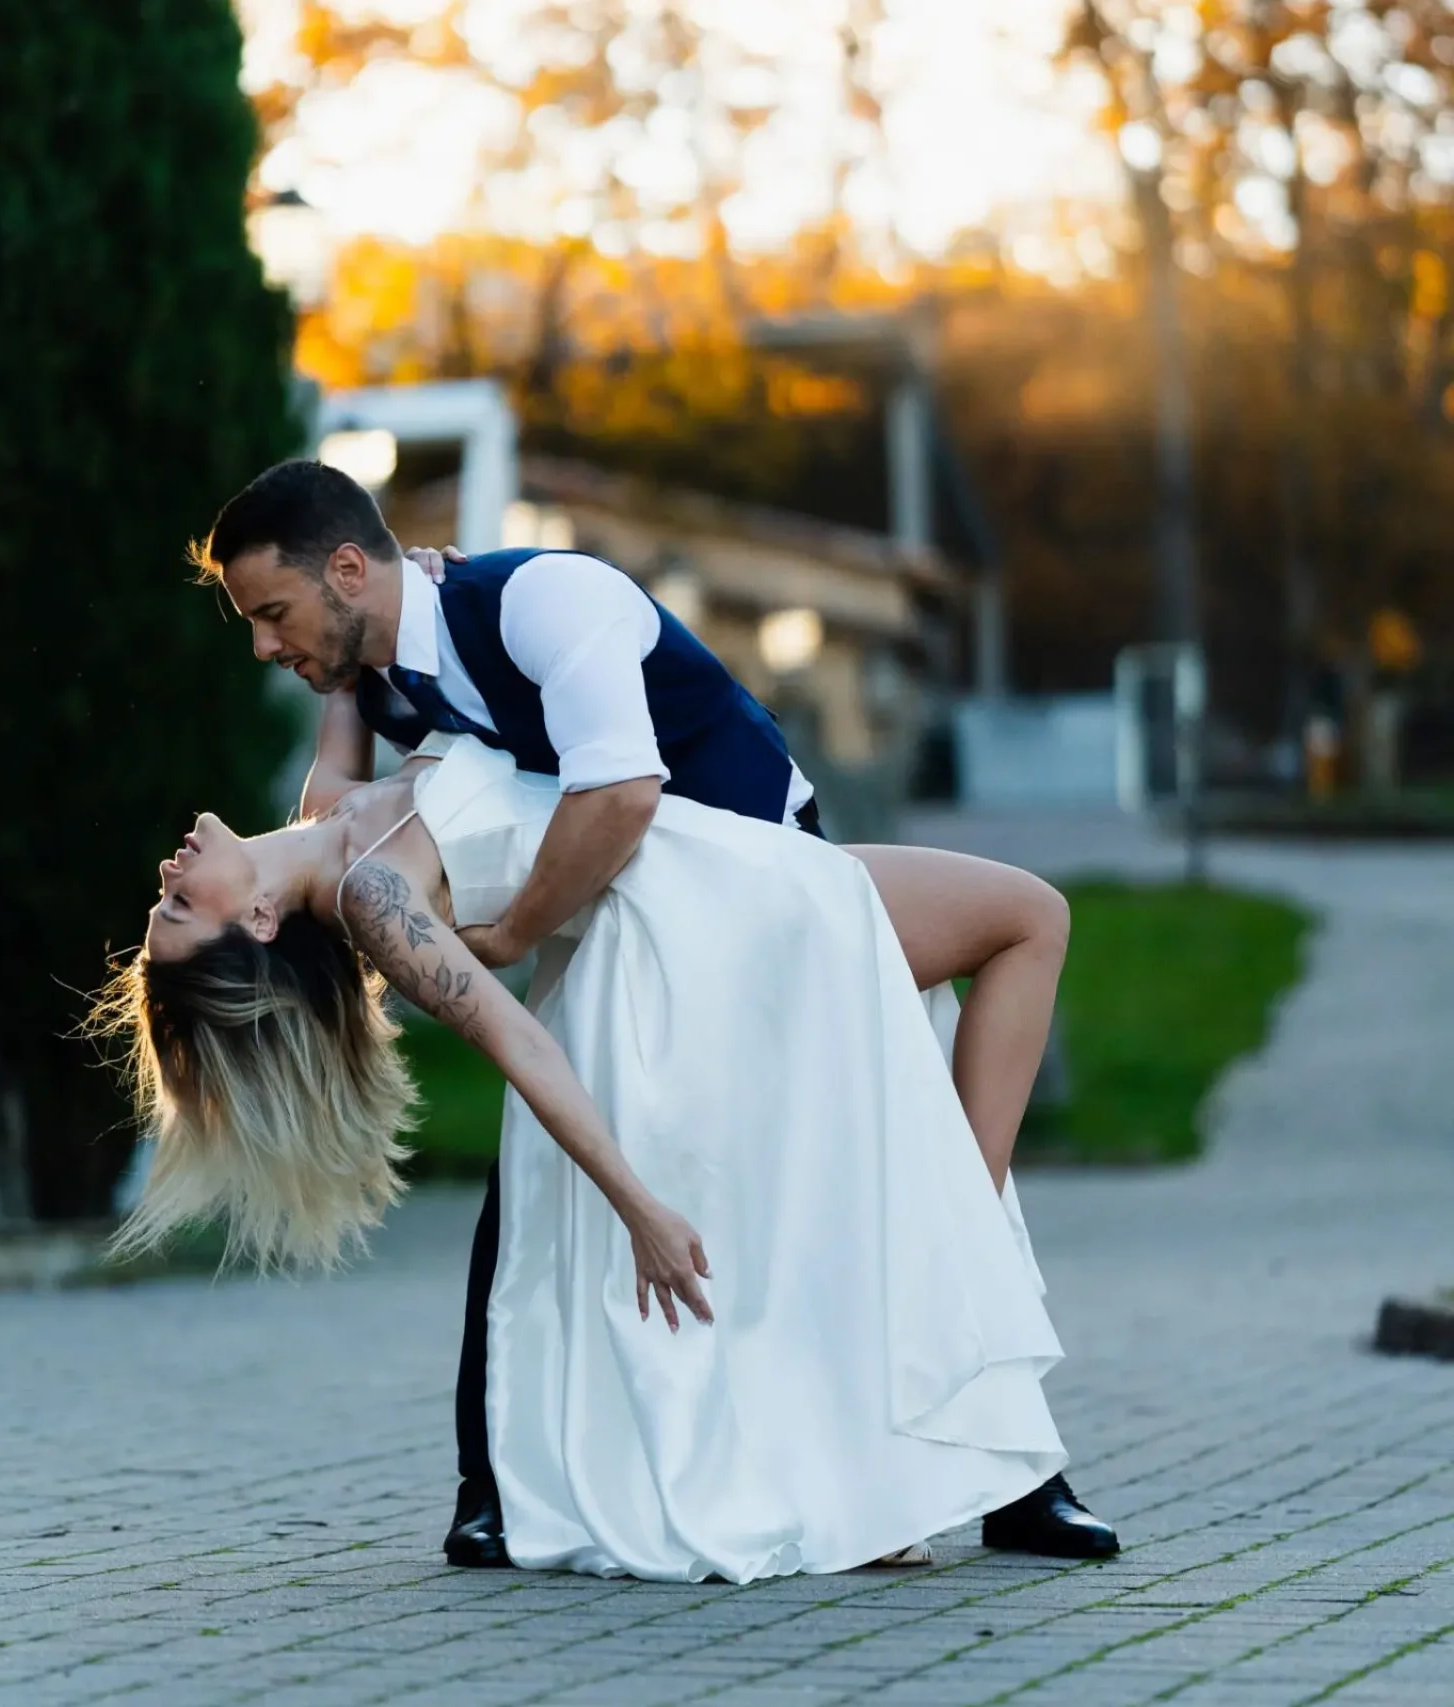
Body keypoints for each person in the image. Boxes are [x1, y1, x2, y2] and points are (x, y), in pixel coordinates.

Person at [184, 459, 1118, 1565]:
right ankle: (502, 1488)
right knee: (574, 1192)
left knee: (864, 1148)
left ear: (349, 568)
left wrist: (516, 932)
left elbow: (619, 795)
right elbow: (329, 825)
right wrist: (329, 663)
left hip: (757, 879)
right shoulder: (377, 681)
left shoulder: (540, 601)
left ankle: (997, 1442)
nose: (263, 646)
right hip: (654, 931)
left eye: (273, 615)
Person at [98, 730, 1070, 1580]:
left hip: (710, 868)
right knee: (1029, 915)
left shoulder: (333, 809)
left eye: (165, 902)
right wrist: (638, 1206)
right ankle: (963, 1248)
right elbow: (521, 1043)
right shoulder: (376, 904)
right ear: (257, 924)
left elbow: (346, 641)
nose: (165, 875)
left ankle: (921, 1378)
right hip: (700, 913)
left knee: (828, 1183)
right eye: (180, 909)